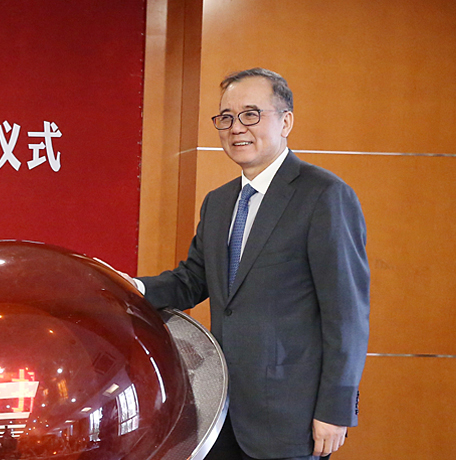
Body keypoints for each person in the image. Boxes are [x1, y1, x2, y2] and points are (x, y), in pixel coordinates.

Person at [133, 68, 369, 460]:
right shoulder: (219, 202)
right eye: (226, 117)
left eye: (250, 114)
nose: (236, 128)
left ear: (286, 121)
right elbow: (193, 280)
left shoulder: (324, 195)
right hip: (222, 410)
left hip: (292, 417)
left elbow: (347, 314)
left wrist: (335, 409)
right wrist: (133, 289)